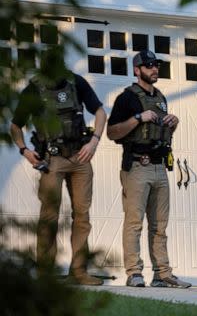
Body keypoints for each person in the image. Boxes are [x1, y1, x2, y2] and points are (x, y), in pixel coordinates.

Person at [10, 49, 107, 285]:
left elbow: (100, 112)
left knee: (82, 215)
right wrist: (25, 151)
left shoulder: (76, 82)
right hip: (51, 161)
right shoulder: (34, 89)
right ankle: (45, 274)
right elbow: (15, 125)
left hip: (80, 158)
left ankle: (79, 272)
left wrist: (94, 142)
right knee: (49, 217)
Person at [107, 50, 190, 289]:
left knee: (160, 226)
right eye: (149, 65)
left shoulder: (161, 97)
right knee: (134, 223)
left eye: (156, 65)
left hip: (159, 166)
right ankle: (134, 273)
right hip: (136, 166)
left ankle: (163, 274)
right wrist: (137, 118)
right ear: (137, 70)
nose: (155, 69)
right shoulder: (127, 98)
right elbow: (112, 133)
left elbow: (160, 132)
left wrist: (172, 124)